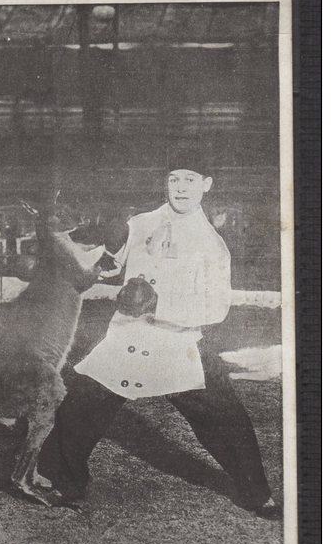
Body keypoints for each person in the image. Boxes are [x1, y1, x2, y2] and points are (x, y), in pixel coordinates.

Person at [37, 156, 280, 519]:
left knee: (225, 417)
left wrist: (159, 305)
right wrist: (103, 251)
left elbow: (216, 309)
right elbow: (110, 265)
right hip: (127, 338)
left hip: (176, 344)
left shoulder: (213, 245)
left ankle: (256, 492)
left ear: (207, 184)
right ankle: (59, 478)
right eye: (173, 179)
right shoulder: (140, 223)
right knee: (80, 406)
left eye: (190, 180)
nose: (181, 187)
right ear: (165, 184)